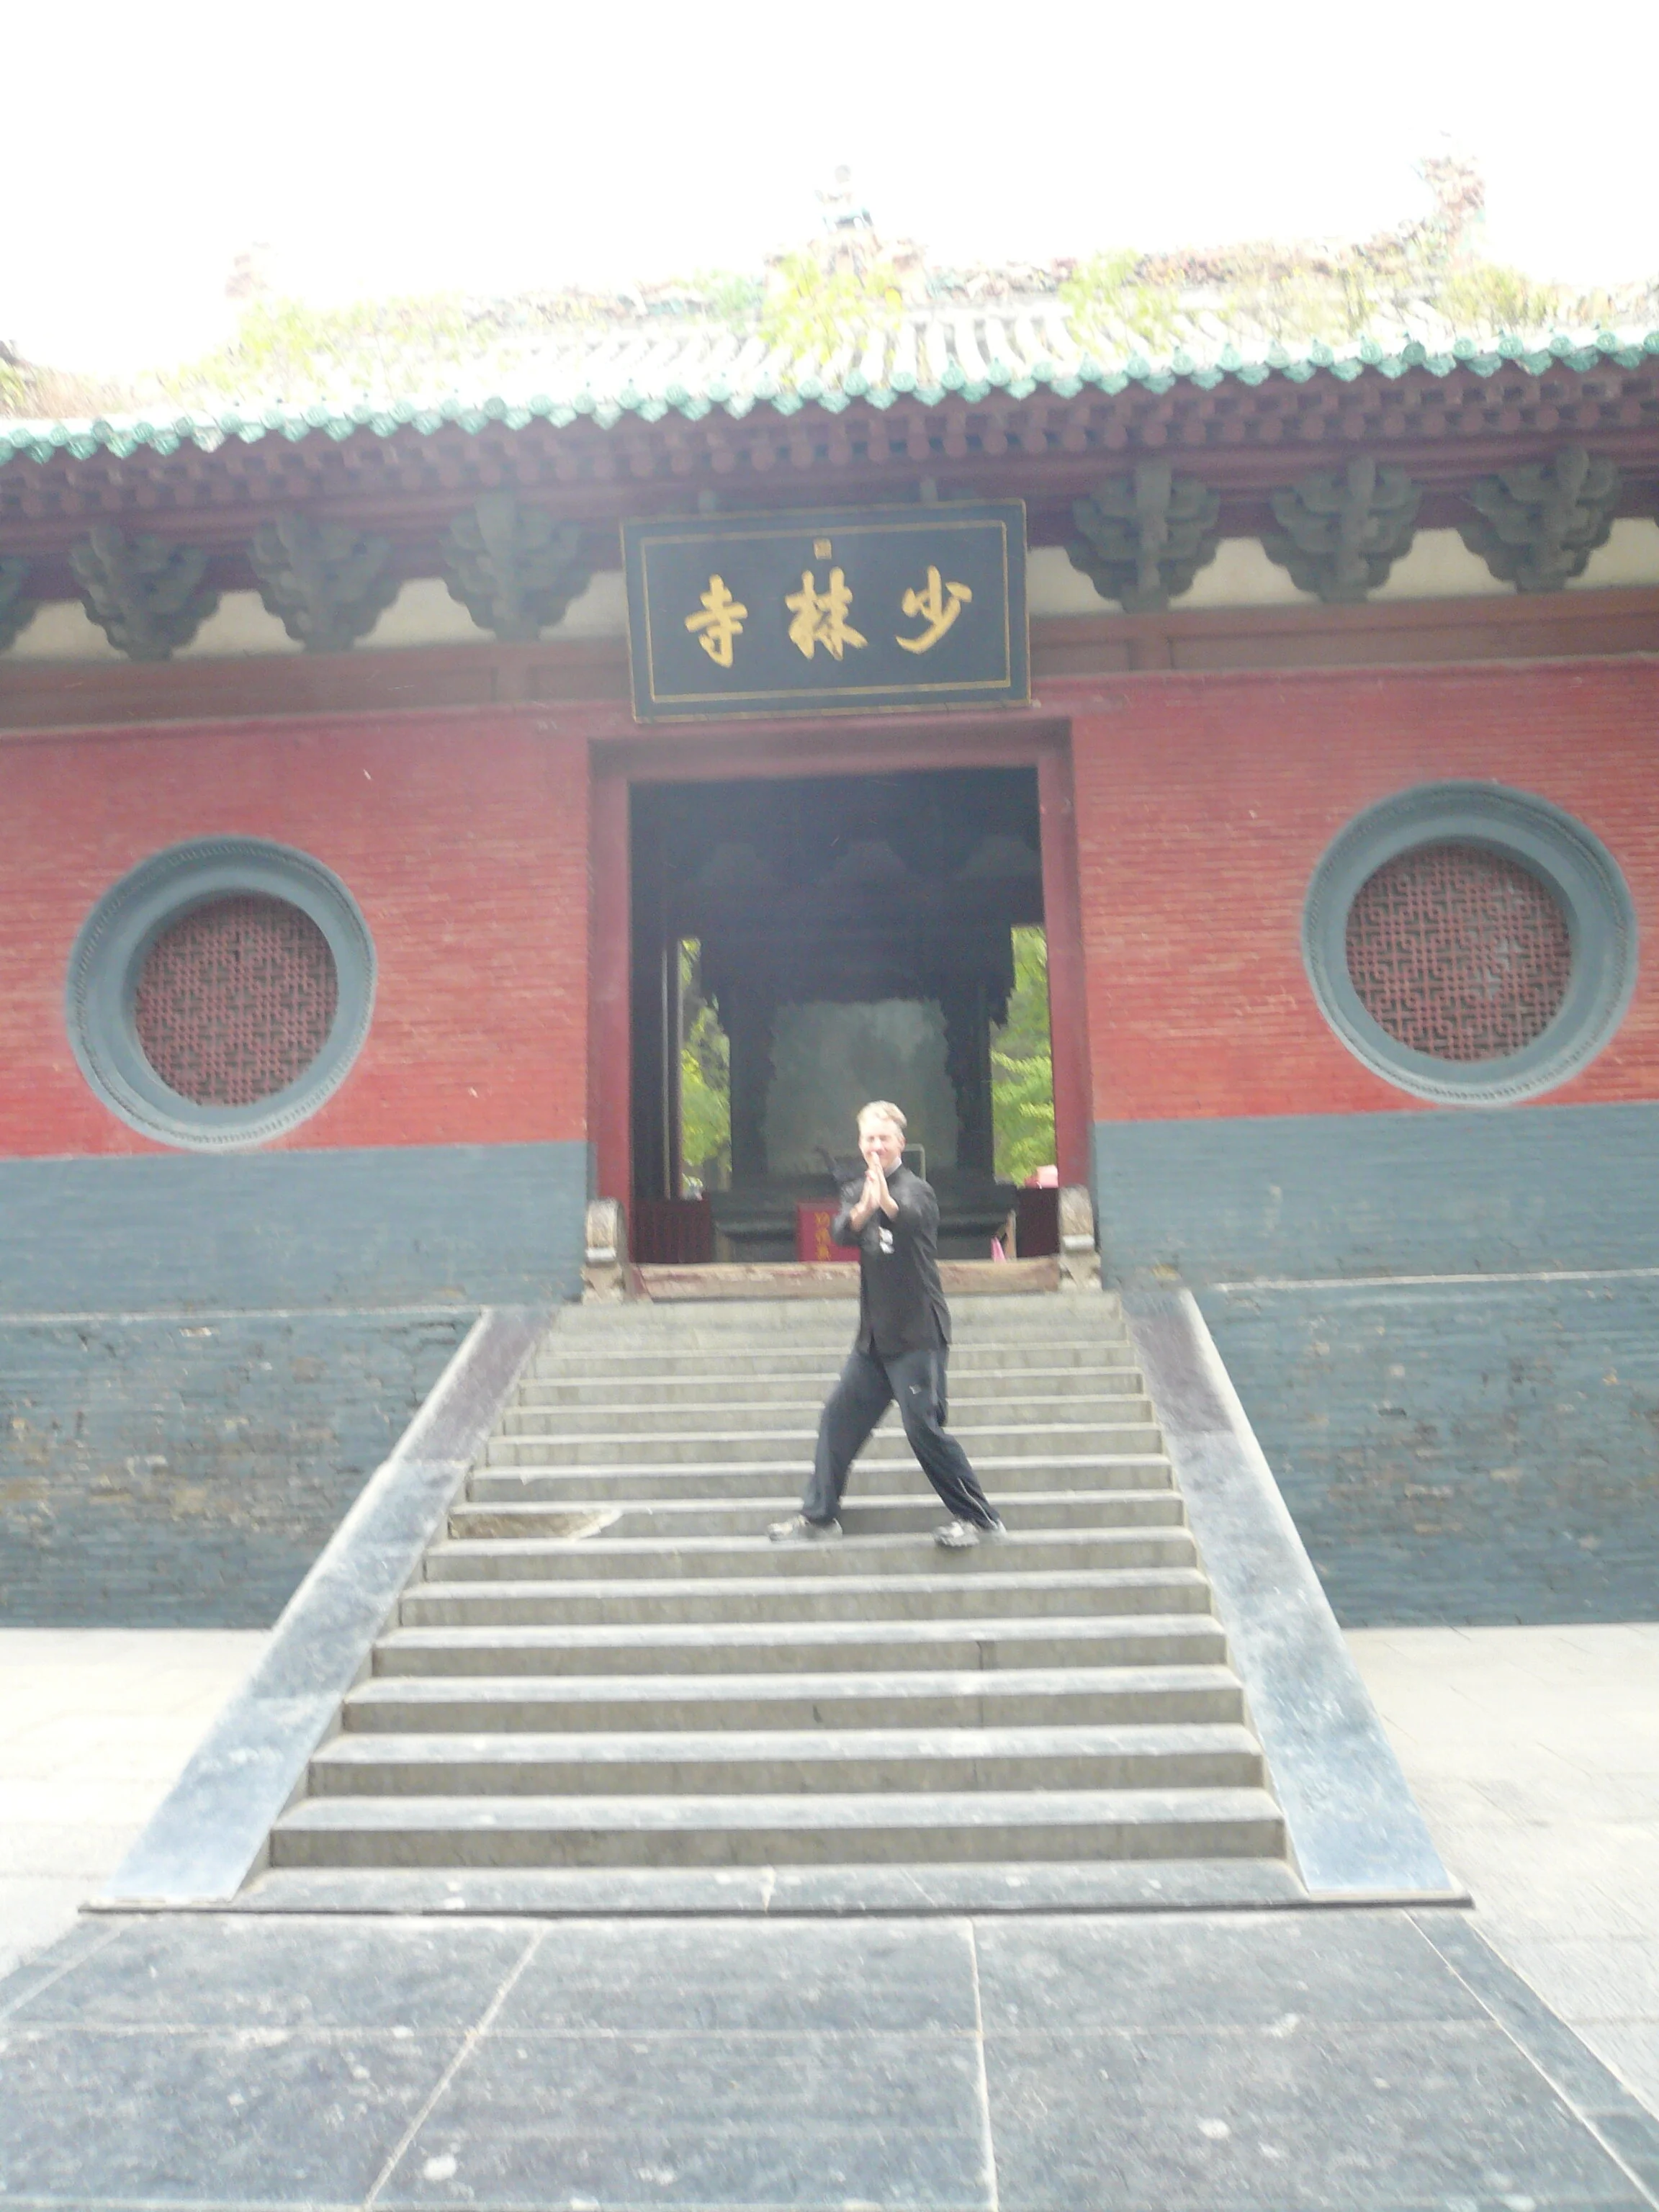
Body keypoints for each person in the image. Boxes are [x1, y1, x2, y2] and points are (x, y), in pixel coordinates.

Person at [769, 1100, 1005, 1550]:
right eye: (868, 1139)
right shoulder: (859, 1189)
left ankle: (980, 1519)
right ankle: (819, 1516)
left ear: (900, 1142)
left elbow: (912, 1219)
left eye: (883, 1138)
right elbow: (842, 1231)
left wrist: (887, 1202)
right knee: (837, 1420)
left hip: (918, 1335)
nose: (875, 1146)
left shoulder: (917, 1189)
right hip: (874, 1341)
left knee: (924, 1430)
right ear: (860, 1144)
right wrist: (864, 1207)